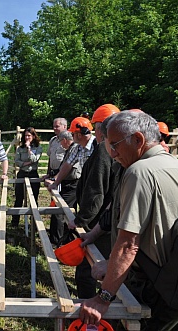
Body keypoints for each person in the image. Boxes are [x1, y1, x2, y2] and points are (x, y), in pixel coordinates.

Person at [80, 111, 178, 330]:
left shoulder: (138, 172)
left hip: (156, 289)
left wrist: (102, 298)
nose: (112, 154)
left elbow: (128, 244)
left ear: (138, 140)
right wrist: (112, 264)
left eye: (115, 145)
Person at [68, 104, 120, 299]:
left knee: (89, 268)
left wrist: (81, 220)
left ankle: (88, 312)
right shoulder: (112, 150)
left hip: (98, 223)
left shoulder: (103, 152)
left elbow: (95, 193)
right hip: (108, 219)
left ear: (99, 128)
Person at [48, 130, 81, 246]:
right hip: (68, 183)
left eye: (61, 142)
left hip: (74, 184)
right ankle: (66, 238)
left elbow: (68, 168)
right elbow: (63, 167)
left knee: (60, 211)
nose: (61, 145)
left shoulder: (76, 148)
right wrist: (53, 176)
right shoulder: (71, 149)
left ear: (65, 140)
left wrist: (55, 180)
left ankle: (57, 240)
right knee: (68, 210)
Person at [11, 127, 43, 227]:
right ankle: (15, 222)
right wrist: (26, 163)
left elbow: (34, 159)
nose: (27, 138)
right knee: (19, 198)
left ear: (33, 136)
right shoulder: (20, 148)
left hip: (33, 174)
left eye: (29, 135)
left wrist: (29, 149)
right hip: (22, 173)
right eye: (25, 136)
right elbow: (17, 161)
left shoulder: (38, 148)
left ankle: (34, 222)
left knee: (33, 199)